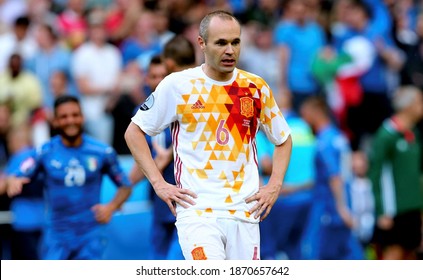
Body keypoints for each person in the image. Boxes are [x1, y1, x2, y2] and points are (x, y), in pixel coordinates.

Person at [125, 10, 292, 260]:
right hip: (198, 212)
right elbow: (134, 131)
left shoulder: (255, 87)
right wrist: (159, 183)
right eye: (221, 43)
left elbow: (283, 139)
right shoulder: (178, 85)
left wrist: (275, 185)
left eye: (235, 42)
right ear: (201, 43)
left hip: (245, 212)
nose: (230, 50)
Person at [5, 95, 132, 260]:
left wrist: (112, 206)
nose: (70, 120)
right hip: (56, 236)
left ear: (82, 117)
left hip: (90, 235)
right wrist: (13, 180)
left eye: (75, 115)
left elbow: (125, 185)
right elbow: (18, 174)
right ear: (56, 121)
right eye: (64, 117)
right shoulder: (45, 152)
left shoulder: (102, 152)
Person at [129, 36, 196, 260]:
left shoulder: (191, 105)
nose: (158, 81)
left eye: (162, 76)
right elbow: (133, 176)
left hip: (191, 204)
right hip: (161, 207)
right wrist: (158, 165)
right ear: (146, 79)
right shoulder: (143, 119)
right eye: (153, 77)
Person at [300, 96, 363, 260]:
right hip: (343, 202)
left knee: (312, 253)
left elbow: (334, 176)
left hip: (328, 206)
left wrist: (341, 208)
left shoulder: (324, 142)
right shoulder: (338, 137)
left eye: (305, 115)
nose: (304, 120)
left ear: (316, 113)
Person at [368, 85, 423, 260]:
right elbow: (376, 173)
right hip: (394, 210)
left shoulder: (413, 133)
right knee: (393, 257)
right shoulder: (386, 135)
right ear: (408, 106)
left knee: (411, 255)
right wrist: (382, 210)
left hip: (413, 208)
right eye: (420, 101)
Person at [258, 94, 315, 260]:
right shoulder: (304, 126)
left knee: (271, 249)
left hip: (280, 199)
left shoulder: (268, 129)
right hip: (306, 196)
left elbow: (267, 165)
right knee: (297, 248)